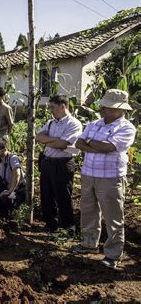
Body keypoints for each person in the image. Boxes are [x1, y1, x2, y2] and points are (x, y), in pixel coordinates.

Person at [72, 89, 136, 269]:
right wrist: (95, 145)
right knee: (88, 210)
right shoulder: (94, 124)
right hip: (88, 173)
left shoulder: (126, 128)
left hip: (110, 177)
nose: (103, 108)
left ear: (120, 109)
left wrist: (90, 143)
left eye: (108, 106)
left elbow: (109, 147)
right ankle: (88, 244)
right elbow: (78, 142)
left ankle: (113, 254)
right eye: (104, 105)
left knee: (113, 216)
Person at [35, 94, 82, 233]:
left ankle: (68, 227)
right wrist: (54, 140)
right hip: (47, 162)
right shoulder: (51, 123)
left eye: (53, 107)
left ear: (63, 106)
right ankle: (51, 225)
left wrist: (48, 140)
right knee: (46, 195)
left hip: (63, 163)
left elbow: (62, 144)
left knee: (63, 196)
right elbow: (38, 137)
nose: (51, 110)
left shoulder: (74, 124)